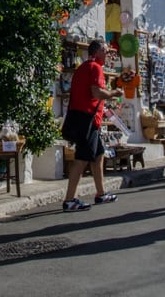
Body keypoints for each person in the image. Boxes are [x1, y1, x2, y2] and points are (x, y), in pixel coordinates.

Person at [61, 39, 121, 212]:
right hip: (87, 119)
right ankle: (69, 199)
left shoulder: (82, 68)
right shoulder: (95, 67)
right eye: (106, 51)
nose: (108, 54)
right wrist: (114, 93)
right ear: (98, 51)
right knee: (81, 159)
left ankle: (101, 193)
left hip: (85, 118)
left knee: (98, 154)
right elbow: (97, 92)